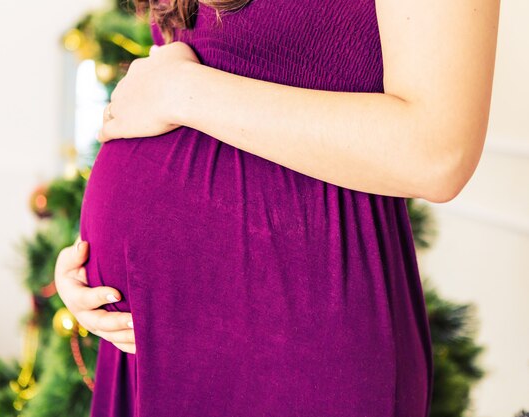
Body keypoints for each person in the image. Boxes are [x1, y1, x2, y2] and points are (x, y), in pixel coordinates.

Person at [54, 0, 500, 416]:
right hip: (148, 342)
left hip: (293, 342)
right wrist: (91, 258)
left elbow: (438, 152)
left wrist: (182, 92)